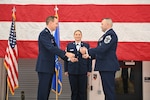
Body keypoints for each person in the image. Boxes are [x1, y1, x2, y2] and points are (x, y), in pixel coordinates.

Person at [36, 16, 75, 100]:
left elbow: (56, 50)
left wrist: (68, 59)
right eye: (56, 23)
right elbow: (51, 48)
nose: (57, 26)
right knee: (43, 92)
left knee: (46, 92)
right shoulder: (44, 34)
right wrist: (66, 53)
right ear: (50, 23)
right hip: (44, 67)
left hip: (49, 67)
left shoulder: (50, 35)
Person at [80, 18, 120, 100]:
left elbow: (103, 49)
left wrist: (87, 51)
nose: (100, 26)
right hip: (104, 65)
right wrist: (89, 55)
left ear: (107, 25)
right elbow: (101, 51)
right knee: (106, 90)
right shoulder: (105, 35)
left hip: (108, 66)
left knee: (109, 90)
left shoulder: (110, 35)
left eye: (102, 24)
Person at [64, 30, 92, 100]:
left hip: (83, 71)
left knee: (82, 91)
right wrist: (66, 70)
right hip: (72, 71)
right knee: (74, 91)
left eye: (79, 34)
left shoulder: (86, 45)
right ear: (74, 36)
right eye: (76, 34)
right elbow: (66, 58)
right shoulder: (69, 45)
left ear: (81, 36)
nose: (77, 36)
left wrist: (89, 70)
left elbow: (89, 58)